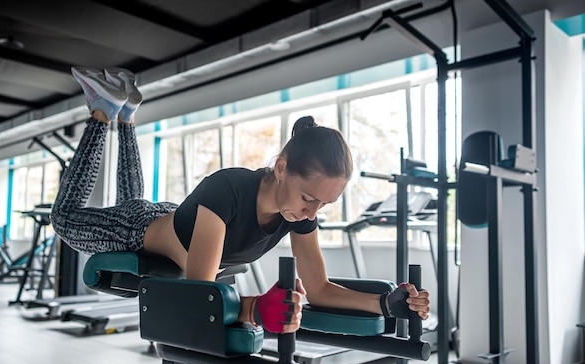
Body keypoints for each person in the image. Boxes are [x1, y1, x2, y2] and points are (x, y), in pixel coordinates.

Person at [51, 67, 430, 334]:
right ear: (281, 167)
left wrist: (387, 303)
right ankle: (103, 113)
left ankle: (126, 117)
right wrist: (256, 308)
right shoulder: (228, 187)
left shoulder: (297, 214)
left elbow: (319, 289)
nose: (311, 214)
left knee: (132, 198)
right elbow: (201, 292)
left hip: (172, 218)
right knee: (64, 218)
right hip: (135, 229)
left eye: (323, 206)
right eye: (308, 198)